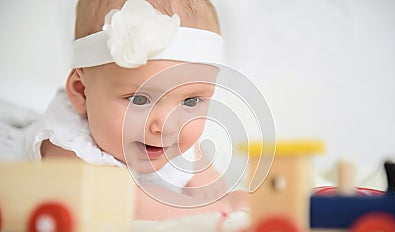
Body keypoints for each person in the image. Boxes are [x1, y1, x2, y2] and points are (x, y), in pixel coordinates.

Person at [23, 0, 247, 220]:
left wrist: (215, 192)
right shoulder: (65, 142)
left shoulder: (178, 140)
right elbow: (125, 204)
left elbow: (212, 191)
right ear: (81, 91)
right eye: (139, 99)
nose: (167, 125)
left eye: (190, 101)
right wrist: (222, 207)